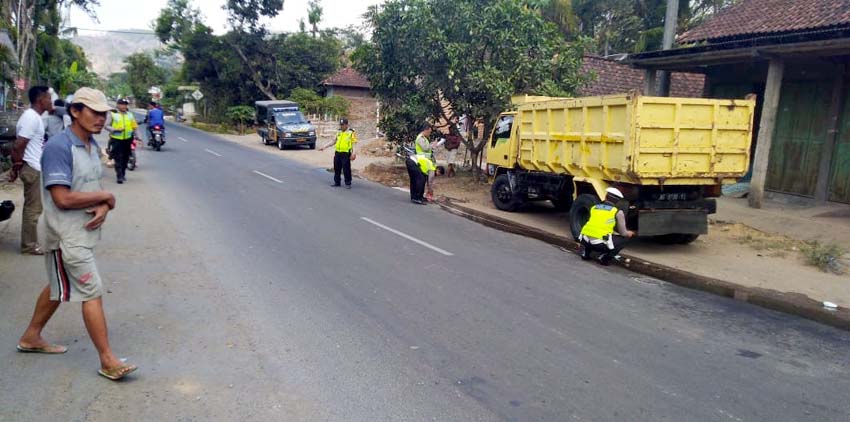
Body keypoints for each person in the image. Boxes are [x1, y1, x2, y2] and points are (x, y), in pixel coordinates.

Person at [16, 87, 137, 381]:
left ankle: (31, 336)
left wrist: (104, 205)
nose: (100, 118)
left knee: (59, 285)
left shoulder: (92, 145)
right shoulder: (59, 147)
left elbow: (90, 189)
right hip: (66, 235)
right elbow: (63, 198)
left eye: (103, 112)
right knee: (91, 291)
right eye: (94, 112)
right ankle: (108, 360)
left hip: (81, 233)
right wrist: (108, 196)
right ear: (75, 112)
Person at [8, 86, 52, 255]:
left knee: (33, 207)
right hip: (31, 166)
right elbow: (19, 144)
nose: (50, 101)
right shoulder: (31, 118)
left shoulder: (34, 117)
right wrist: (17, 165)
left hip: (32, 165)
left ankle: (30, 243)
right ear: (41, 100)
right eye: (48, 98)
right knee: (33, 209)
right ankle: (29, 245)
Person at [578, 187, 636, 265]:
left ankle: (586, 253)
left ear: (605, 197)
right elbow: (623, 233)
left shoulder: (594, 208)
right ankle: (604, 258)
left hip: (584, 240)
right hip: (599, 244)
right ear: (618, 202)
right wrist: (630, 233)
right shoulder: (617, 212)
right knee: (625, 239)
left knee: (593, 233)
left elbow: (599, 224)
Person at [104, 99, 136, 184]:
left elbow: (134, 127)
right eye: (122, 104)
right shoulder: (113, 114)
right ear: (117, 105)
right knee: (118, 157)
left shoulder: (130, 115)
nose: (124, 106)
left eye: (125, 104)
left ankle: (123, 173)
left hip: (128, 139)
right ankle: (119, 176)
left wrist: (138, 137)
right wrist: (115, 129)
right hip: (116, 139)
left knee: (125, 157)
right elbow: (106, 126)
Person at [320, 118, 358, 189]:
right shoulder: (339, 132)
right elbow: (333, 141)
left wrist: (354, 153)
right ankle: (337, 182)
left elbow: (354, 144)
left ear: (346, 125)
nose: (341, 126)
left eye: (343, 125)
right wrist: (324, 147)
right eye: (341, 125)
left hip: (346, 154)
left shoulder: (351, 132)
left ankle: (348, 183)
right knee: (337, 168)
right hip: (337, 153)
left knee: (346, 169)